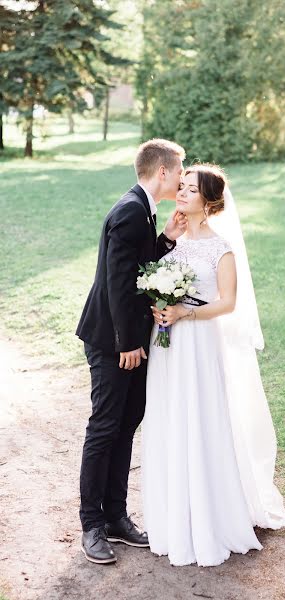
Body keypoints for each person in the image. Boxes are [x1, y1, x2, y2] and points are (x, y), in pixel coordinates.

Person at [142, 164, 285, 567]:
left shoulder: (220, 248)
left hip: (198, 342)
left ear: (209, 202)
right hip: (166, 345)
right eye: (183, 186)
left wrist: (183, 313)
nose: (182, 193)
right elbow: (151, 279)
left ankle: (211, 515)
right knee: (170, 417)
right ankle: (173, 514)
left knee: (202, 418)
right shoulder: (172, 241)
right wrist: (160, 307)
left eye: (191, 189)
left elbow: (228, 302)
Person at [76, 138, 187, 564]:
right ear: (162, 172)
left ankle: (117, 518)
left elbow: (138, 270)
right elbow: (117, 284)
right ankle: (92, 525)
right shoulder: (128, 211)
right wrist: (129, 343)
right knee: (105, 427)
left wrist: (165, 240)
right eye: (179, 169)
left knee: (126, 424)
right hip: (112, 341)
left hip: (129, 339)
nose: (181, 176)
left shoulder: (143, 210)